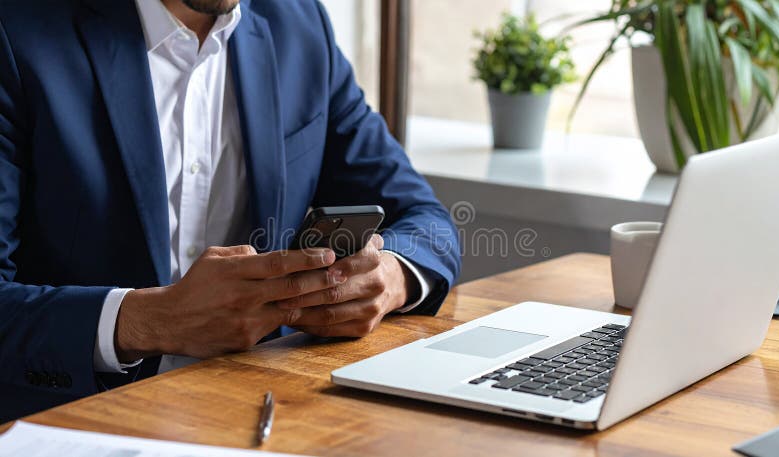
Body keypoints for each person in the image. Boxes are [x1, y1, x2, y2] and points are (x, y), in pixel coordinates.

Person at [0, 0, 460, 420]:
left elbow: (425, 217)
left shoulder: (299, 26)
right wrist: (148, 320)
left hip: (261, 410)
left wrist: (390, 278)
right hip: (73, 417)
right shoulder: (17, 31)